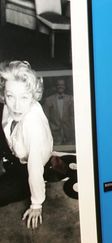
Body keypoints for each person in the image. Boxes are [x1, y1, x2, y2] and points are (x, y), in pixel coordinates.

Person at [0, 60, 53, 229]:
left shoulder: (33, 125)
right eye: (10, 96)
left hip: (25, 167)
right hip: (10, 150)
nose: (16, 105)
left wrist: (36, 204)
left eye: (24, 97)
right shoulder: (9, 106)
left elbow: (35, 167)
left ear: (33, 96)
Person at [43, 78, 75, 145]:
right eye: (58, 85)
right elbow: (45, 119)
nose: (60, 86)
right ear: (55, 86)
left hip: (69, 135)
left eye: (62, 85)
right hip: (54, 135)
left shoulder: (71, 99)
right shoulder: (48, 100)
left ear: (65, 86)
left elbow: (73, 117)